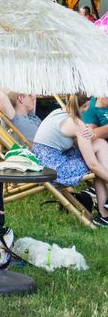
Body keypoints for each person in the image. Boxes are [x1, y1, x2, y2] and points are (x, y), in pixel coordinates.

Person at [32, 93, 108, 227]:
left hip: (43, 163)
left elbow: (74, 144)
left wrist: (89, 134)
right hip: (55, 171)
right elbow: (92, 164)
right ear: (87, 103)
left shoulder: (58, 112)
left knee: (100, 145)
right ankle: (104, 212)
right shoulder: (77, 124)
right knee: (98, 155)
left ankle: (104, 213)